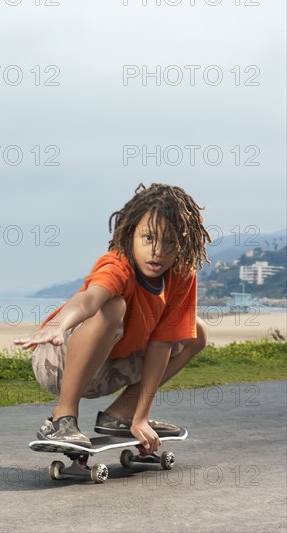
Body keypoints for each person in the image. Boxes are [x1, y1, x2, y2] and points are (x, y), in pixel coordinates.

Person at [14, 182, 211, 454]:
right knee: (113, 306)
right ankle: (63, 417)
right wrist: (58, 325)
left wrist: (141, 416)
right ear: (130, 235)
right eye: (149, 238)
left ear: (182, 246)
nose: (157, 251)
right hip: (58, 358)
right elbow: (90, 299)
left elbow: (161, 345)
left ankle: (121, 415)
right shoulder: (118, 264)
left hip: (108, 369)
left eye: (170, 242)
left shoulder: (182, 275)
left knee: (195, 332)